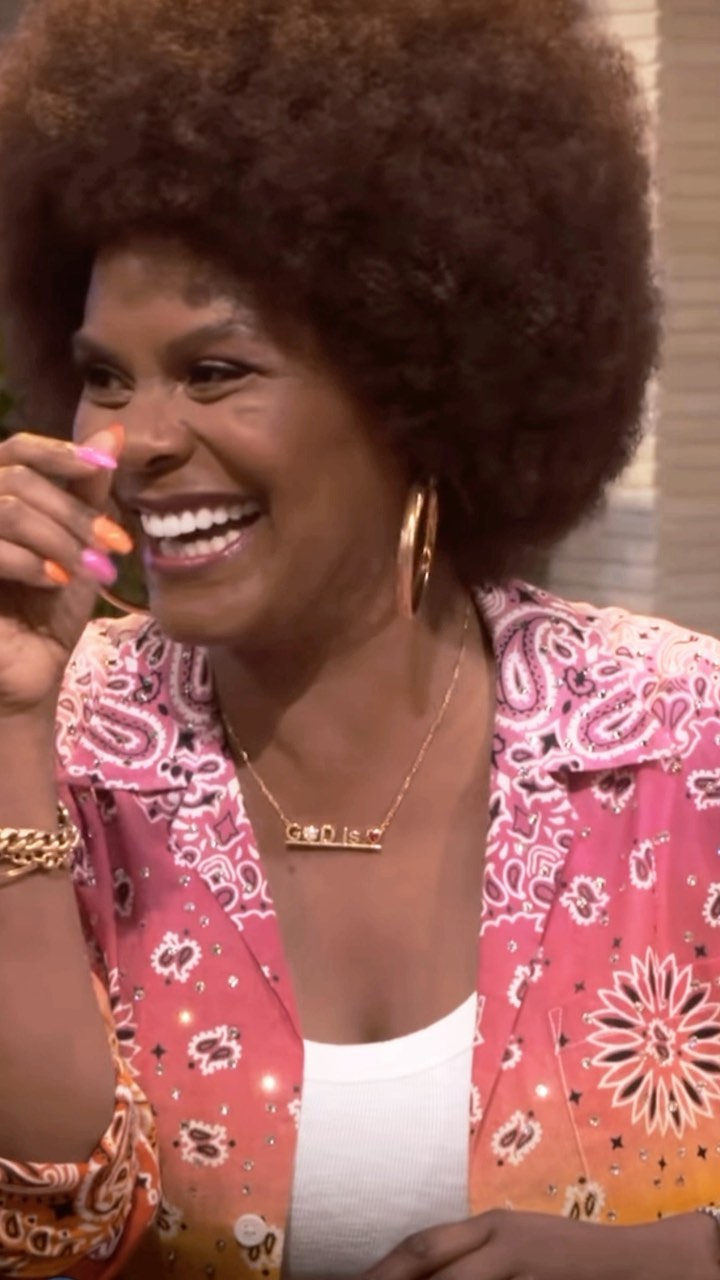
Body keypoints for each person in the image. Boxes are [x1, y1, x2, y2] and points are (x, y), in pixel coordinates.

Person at [0, 0, 719, 1277]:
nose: (131, 441)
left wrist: (683, 1255)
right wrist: (9, 726)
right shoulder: (56, 750)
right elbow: (55, 1239)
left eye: (214, 371)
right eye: (105, 375)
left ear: (412, 388)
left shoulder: (680, 743)